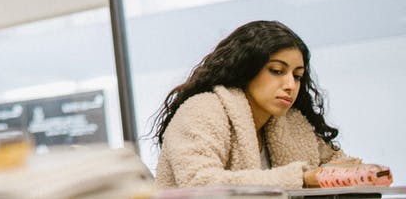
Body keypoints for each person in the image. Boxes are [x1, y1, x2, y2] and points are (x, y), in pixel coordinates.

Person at [153, 20, 392, 189]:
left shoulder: (289, 122)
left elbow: (334, 164)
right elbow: (200, 183)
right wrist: (301, 178)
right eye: (277, 71)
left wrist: (360, 173)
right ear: (246, 68)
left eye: (297, 76)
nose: (290, 84)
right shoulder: (203, 110)